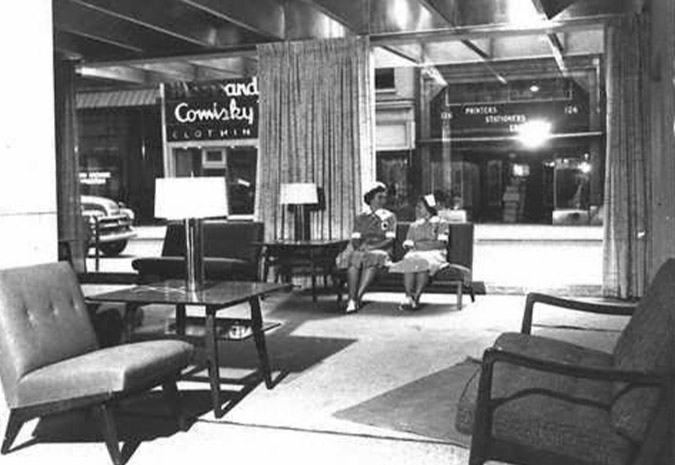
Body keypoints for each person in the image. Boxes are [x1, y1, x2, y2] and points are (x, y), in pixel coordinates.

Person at [336, 182, 397, 314]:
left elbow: (390, 240)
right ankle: (352, 300)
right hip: (363, 249)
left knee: (372, 258)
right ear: (371, 199)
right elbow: (356, 238)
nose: (383, 201)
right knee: (354, 257)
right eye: (379, 197)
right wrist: (360, 247)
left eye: (384, 197)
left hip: (382, 250)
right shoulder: (361, 217)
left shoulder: (390, 217)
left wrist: (372, 247)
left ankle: (356, 297)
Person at [389, 194, 450, 311]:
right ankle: (408, 296)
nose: (417, 209)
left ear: (428, 208)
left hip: (435, 253)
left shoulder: (441, 223)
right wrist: (417, 245)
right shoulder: (414, 225)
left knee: (423, 263)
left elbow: (441, 243)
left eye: (420, 207)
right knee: (410, 262)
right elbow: (408, 243)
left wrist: (421, 245)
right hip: (416, 253)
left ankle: (416, 297)